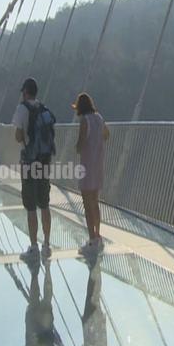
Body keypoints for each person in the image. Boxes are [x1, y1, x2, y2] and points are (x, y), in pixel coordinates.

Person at [12, 77, 56, 261]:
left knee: (31, 206)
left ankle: (33, 247)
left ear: (24, 92)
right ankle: (47, 244)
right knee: (44, 203)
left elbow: (18, 135)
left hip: (30, 162)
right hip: (44, 161)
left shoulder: (23, 108)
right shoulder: (43, 108)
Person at [73, 93, 109, 255]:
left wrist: (79, 147)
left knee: (86, 204)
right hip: (98, 163)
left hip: (87, 165)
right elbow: (106, 134)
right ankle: (98, 235)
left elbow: (80, 144)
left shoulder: (84, 121)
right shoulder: (99, 118)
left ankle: (91, 239)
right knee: (95, 202)